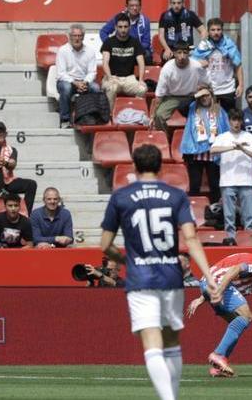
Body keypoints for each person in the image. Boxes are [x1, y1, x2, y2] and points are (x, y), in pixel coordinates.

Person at [100, 143, 217, 400]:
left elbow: (105, 245)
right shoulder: (176, 196)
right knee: (172, 341)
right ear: (160, 166)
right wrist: (208, 277)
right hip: (171, 276)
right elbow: (191, 238)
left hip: (140, 276)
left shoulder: (120, 197)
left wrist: (122, 259)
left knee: (152, 342)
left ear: (134, 166)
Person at [186, 249, 252, 377]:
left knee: (238, 322)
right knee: (246, 316)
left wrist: (202, 298)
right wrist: (219, 291)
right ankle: (218, 355)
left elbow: (227, 274)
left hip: (210, 284)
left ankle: (220, 365)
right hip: (217, 284)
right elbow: (234, 270)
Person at [210, 110, 252, 245]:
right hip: (227, 181)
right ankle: (230, 243)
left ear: (242, 121)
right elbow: (212, 151)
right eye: (234, 120)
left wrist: (243, 149)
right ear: (229, 121)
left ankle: (249, 242)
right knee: (229, 217)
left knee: (249, 217)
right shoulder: (222, 137)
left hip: (246, 180)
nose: (236, 123)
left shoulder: (249, 137)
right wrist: (233, 147)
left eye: (239, 120)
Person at [0, 122, 37, 209]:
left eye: (1, 132)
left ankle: (26, 213)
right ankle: (2, 192)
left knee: (31, 184)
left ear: (6, 134)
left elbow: (12, 164)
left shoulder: (12, 149)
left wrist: (5, 163)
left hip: (7, 181)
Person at [100, 13, 147, 107]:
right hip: (112, 77)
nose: (123, 30)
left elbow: (141, 63)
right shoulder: (108, 42)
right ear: (115, 27)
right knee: (111, 87)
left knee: (142, 88)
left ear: (129, 27)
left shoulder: (135, 42)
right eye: (120, 27)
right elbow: (105, 63)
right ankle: (110, 115)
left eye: (125, 27)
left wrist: (141, 79)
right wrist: (110, 77)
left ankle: (135, 113)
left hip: (129, 78)